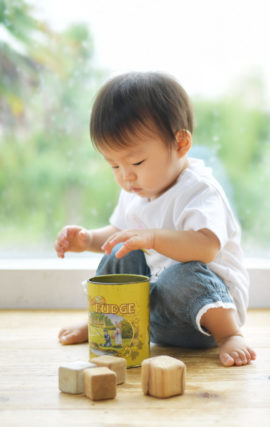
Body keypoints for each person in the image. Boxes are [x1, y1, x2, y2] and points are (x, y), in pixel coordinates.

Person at [55, 72, 256, 367]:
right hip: (153, 316)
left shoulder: (199, 190)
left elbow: (206, 247)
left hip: (206, 313)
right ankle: (106, 325)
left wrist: (152, 237)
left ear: (180, 144)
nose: (126, 176)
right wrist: (88, 239)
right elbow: (120, 232)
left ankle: (230, 336)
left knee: (181, 275)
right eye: (114, 165)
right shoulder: (137, 189)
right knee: (119, 250)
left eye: (136, 162)